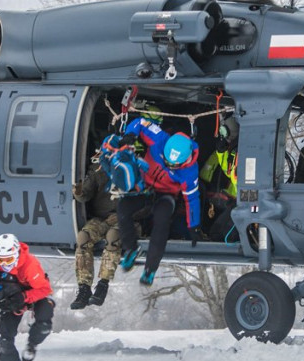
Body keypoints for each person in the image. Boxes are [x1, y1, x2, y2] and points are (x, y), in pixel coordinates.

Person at [115, 116, 202, 286]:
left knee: (162, 221)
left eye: (174, 165)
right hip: (145, 188)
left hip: (166, 196)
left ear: (185, 160)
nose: (169, 166)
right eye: (166, 161)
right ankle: (130, 249)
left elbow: (192, 199)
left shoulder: (190, 172)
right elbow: (141, 123)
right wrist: (130, 135)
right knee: (123, 207)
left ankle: (150, 269)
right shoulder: (159, 138)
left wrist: (194, 225)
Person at [0, 233, 54, 361]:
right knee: (5, 339)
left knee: (44, 322)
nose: (4, 264)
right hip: (11, 298)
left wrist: (24, 297)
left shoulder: (30, 265)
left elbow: (44, 289)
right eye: (0, 260)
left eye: (8, 260)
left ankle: (31, 345)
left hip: (35, 293)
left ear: (16, 255)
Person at [70, 164, 126, 310]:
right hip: (102, 219)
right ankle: (84, 288)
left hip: (127, 219)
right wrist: (79, 191)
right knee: (83, 237)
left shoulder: (136, 168)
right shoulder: (99, 169)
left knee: (112, 236)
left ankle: (103, 285)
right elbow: (84, 195)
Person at [199, 115, 239, 243]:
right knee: (215, 228)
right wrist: (221, 152)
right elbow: (228, 170)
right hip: (223, 198)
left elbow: (235, 176)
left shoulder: (244, 151)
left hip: (239, 201)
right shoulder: (232, 150)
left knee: (222, 231)